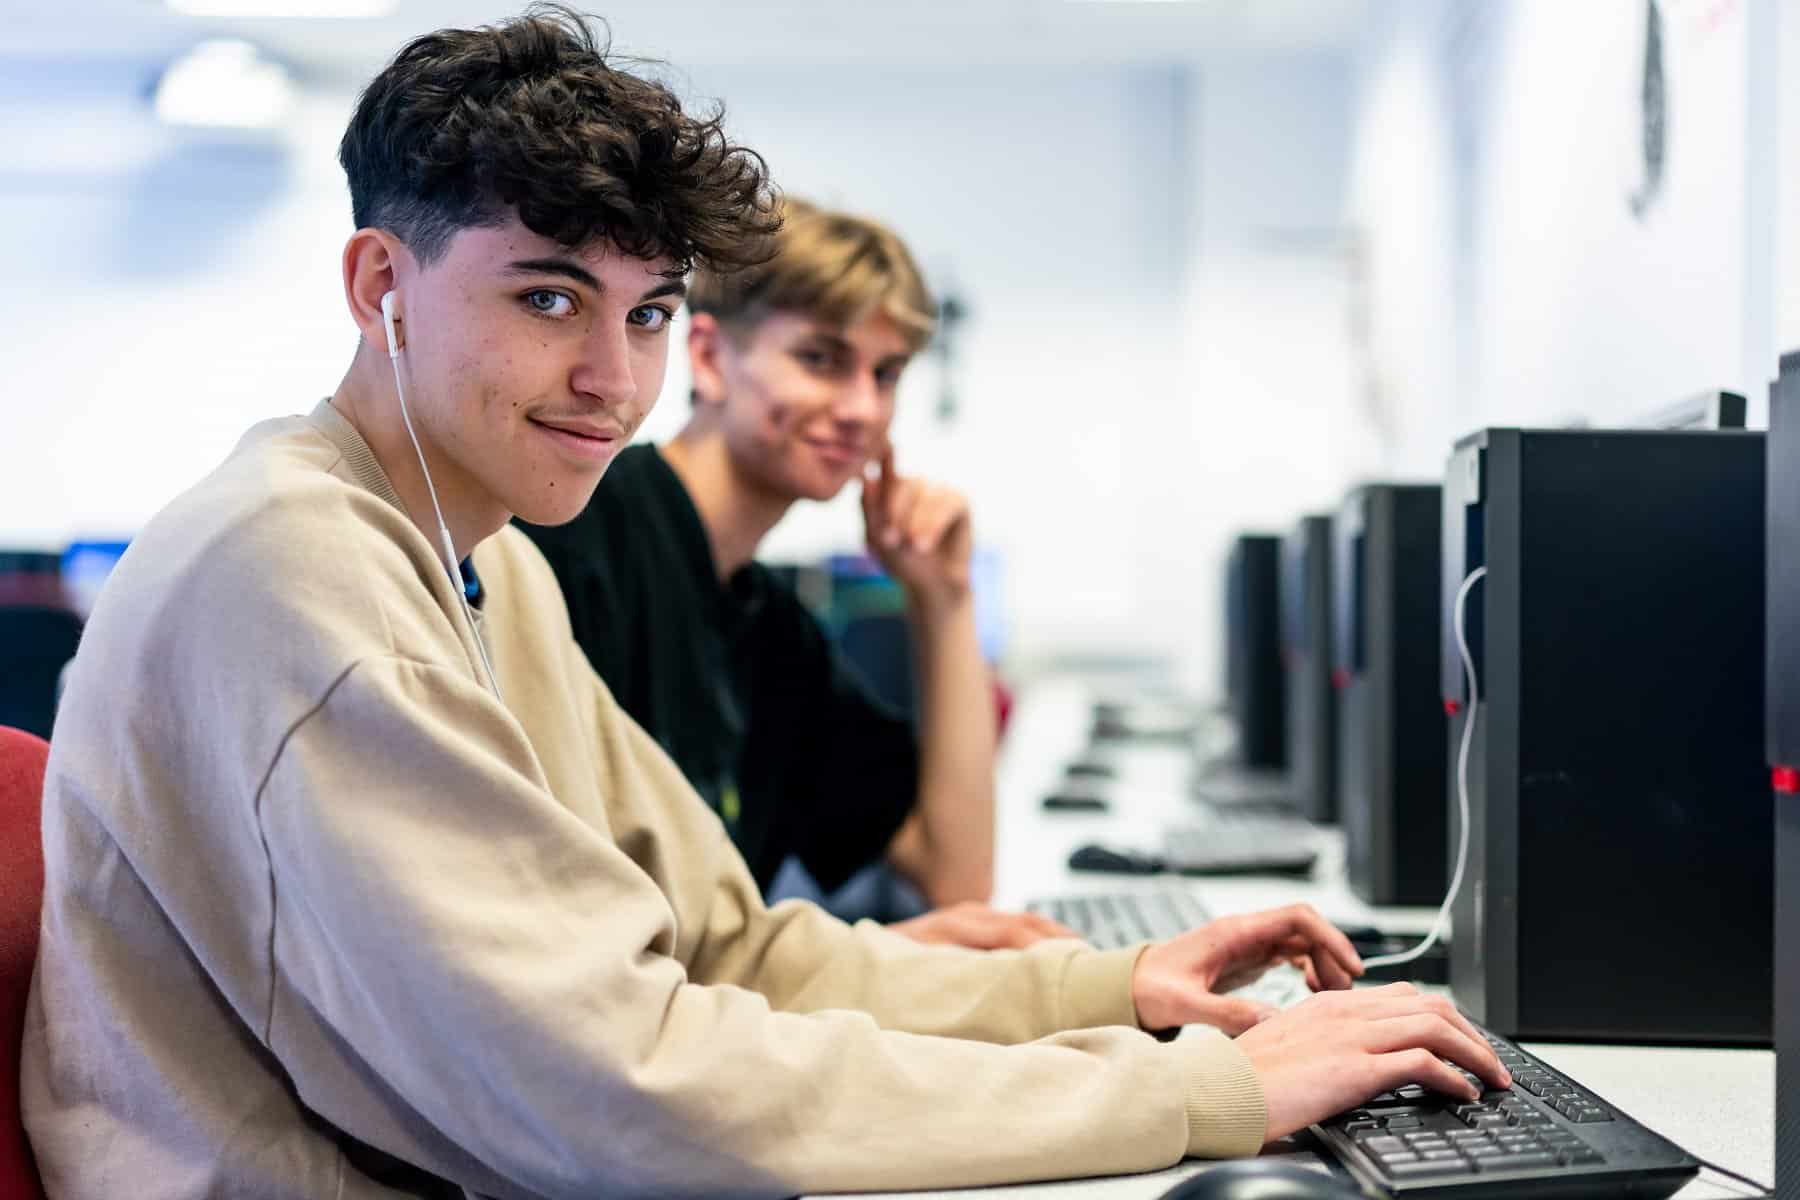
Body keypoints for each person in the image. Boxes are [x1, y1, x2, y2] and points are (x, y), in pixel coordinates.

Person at [21, 9, 1509, 1199]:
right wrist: (1207, 1096)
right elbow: (618, 1089)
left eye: (648, 312)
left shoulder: (494, 562)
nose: (613, 377)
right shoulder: (291, 568)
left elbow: (730, 954)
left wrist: (1115, 990)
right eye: (546, 298)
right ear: (378, 282)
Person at [518, 196, 1042, 949]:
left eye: (887, 374)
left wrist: (943, 599)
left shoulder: (771, 631)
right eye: (821, 359)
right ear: (707, 357)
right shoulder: (579, 541)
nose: (863, 407)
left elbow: (954, 878)